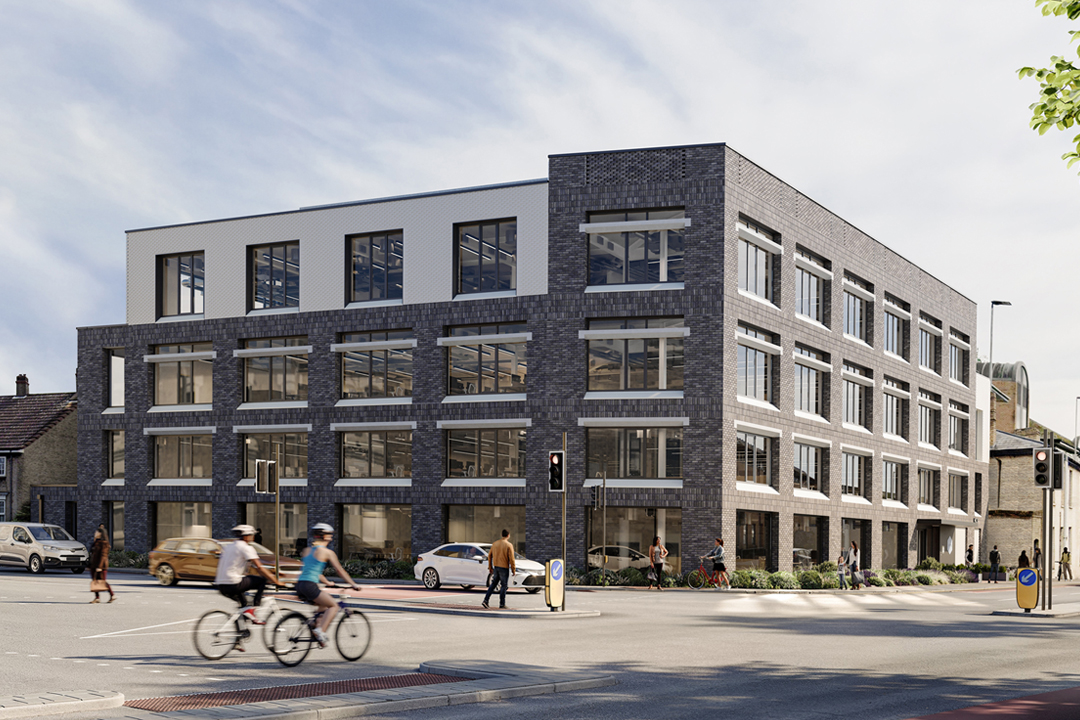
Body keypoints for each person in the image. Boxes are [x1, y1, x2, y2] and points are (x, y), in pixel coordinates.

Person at [295, 523, 360, 648]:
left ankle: (315, 625)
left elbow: (312, 570)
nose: (331, 538)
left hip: (300, 585)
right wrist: (353, 584)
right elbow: (340, 570)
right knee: (333, 606)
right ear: (324, 536)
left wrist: (327, 583)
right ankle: (320, 632)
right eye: (329, 535)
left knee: (323, 606)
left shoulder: (306, 550)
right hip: (310, 586)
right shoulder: (327, 552)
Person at [214, 524, 279, 637]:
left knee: (243, 606)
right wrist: (275, 580)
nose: (253, 536)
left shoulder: (229, 546)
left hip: (220, 584)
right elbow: (259, 567)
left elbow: (243, 564)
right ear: (246, 536)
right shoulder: (246, 547)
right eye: (251, 534)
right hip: (233, 582)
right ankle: (254, 609)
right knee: (261, 581)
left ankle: (239, 637)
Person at [482, 529, 516, 610]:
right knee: (504, 586)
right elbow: (512, 558)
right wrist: (513, 569)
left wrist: (490, 567)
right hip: (504, 567)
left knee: (493, 584)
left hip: (496, 567)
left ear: (502, 535)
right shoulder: (509, 545)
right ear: (508, 535)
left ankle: (486, 600)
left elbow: (489, 556)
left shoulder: (495, 544)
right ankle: (502, 604)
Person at [89, 527, 114, 604]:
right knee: (95, 581)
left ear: (100, 533)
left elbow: (103, 556)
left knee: (102, 581)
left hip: (101, 566)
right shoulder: (96, 542)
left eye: (96, 532)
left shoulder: (104, 543)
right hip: (94, 565)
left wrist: (99, 567)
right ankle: (97, 598)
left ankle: (112, 595)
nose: (95, 533)